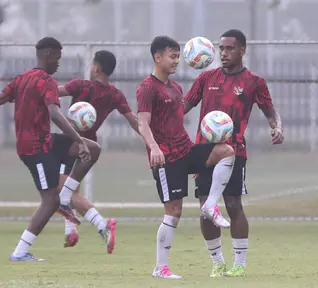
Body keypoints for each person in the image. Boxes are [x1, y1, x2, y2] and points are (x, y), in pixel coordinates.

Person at [184, 29, 284, 277]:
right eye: (221, 48)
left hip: (234, 151)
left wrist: (277, 127)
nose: (224, 53)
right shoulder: (206, 78)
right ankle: (217, 262)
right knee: (206, 207)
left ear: (242, 50)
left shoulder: (254, 82)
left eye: (230, 48)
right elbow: (183, 107)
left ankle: (239, 263)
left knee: (232, 204)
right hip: (204, 152)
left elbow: (270, 112)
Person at [136, 36, 236, 279]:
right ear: (157, 57)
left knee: (226, 151)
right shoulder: (147, 88)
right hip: (165, 158)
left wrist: (193, 155)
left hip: (185, 150)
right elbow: (142, 123)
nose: (177, 61)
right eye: (172, 56)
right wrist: (154, 148)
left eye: (178, 56)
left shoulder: (175, 88)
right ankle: (161, 267)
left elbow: (175, 124)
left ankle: (210, 205)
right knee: (174, 211)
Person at [0, 37, 101, 261]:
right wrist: (78, 138)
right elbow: (54, 113)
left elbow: (2, 97)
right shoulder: (46, 81)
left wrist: (81, 142)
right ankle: (20, 251)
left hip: (44, 142)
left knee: (93, 149)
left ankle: (66, 196)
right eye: (57, 57)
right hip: (35, 147)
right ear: (47, 55)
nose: (58, 62)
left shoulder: (22, 78)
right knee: (50, 201)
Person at [57, 50, 139, 253]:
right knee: (69, 191)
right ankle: (71, 230)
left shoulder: (80, 85)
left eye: (92, 64)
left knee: (60, 191)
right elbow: (133, 120)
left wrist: (25, 92)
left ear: (96, 67)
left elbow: (51, 94)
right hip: (89, 149)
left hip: (69, 144)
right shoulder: (115, 94)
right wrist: (151, 139)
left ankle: (101, 225)